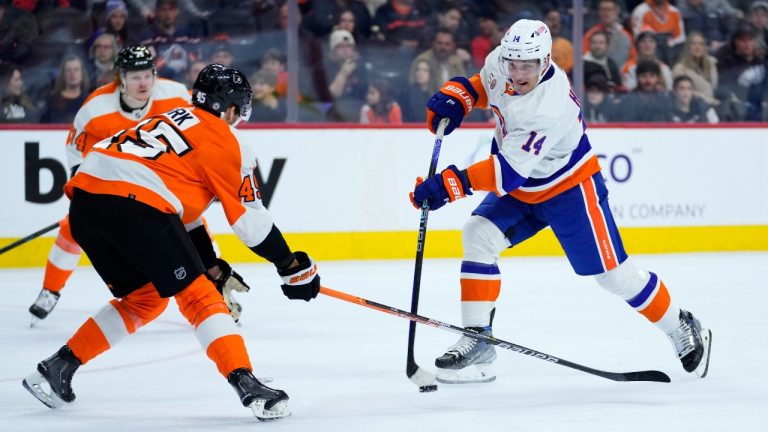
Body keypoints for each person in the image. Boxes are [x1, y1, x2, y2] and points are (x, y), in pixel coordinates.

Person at [412, 19, 712, 384]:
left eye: (528, 65)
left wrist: (448, 185)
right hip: (523, 183)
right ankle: (479, 340)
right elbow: (484, 87)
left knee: (614, 276)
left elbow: (506, 174)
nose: (518, 73)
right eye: (513, 64)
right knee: (478, 234)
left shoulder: (548, 105)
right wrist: (459, 96)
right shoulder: (502, 60)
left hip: (569, 188)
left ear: (546, 61)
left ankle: (679, 323)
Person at [22, 63, 320, 421]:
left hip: (85, 204)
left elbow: (182, 211)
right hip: (137, 205)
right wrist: (291, 266)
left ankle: (57, 368)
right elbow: (251, 225)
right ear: (230, 107)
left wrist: (209, 263)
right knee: (198, 296)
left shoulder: (170, 117)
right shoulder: (228, 140)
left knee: (144, 299)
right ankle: (248, 385)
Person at [28, 47, 244, 325]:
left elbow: (212, 125)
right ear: (120, 78)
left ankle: (218, 291)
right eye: (135, 77)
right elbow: (76, 154)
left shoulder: (176, 95)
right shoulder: (94, 109)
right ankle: (50, 290)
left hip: (164, 185)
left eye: (148, 75)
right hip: (113, 181)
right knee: (72, 227)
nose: (143, 83)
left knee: (195, 227)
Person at [41, 56, 91, 124]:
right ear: (63, 75)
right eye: (68, 70)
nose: (72, 73)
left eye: (76, 70)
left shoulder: (89, 100)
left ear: (82, 73)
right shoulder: (52, 100)